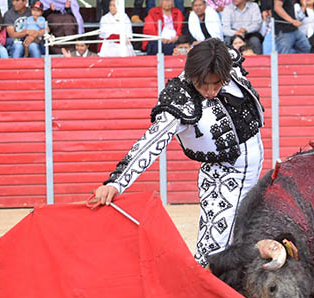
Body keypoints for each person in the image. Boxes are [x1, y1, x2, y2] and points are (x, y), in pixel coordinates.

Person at [93, 38, 264, 269]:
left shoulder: (228, 62)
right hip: (223, 174)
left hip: (249, 166)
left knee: (242, 235)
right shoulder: (180, 100)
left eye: (216, 84)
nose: (210, 91)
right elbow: (150, 142)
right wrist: (116, 182)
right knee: (215, 249)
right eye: (204, 85)